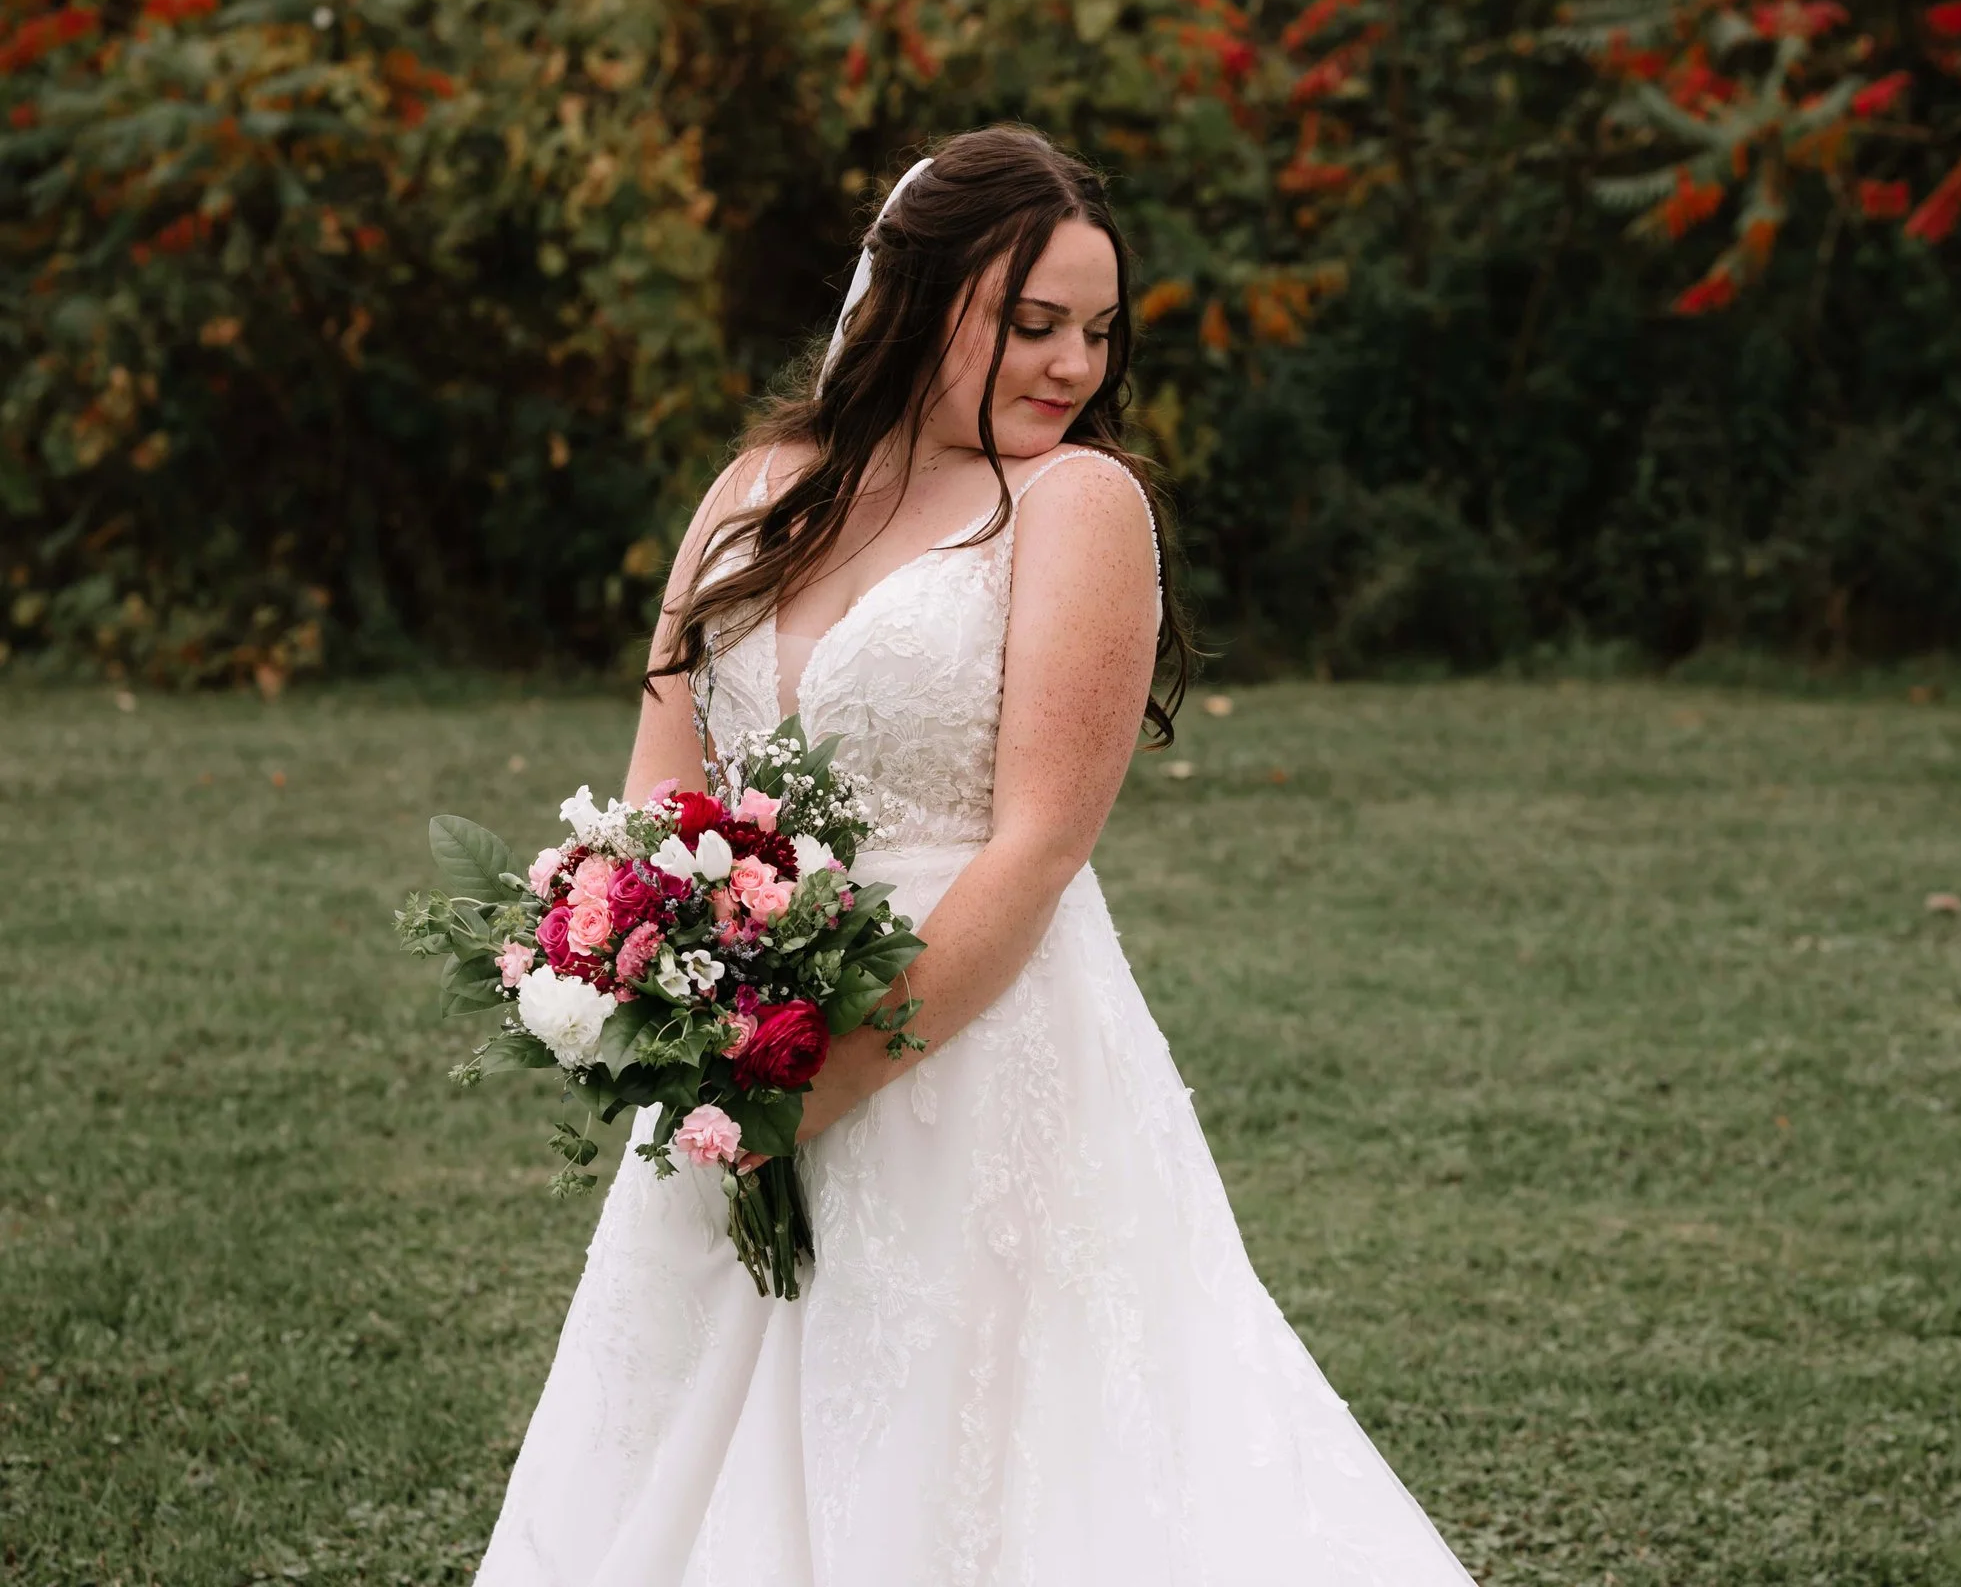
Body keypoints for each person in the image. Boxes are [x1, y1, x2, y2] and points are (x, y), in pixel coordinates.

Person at [474, 125, 1479, 1584]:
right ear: (921, 296)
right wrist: (646, 999)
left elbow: (1039, 846)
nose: (1073, 365)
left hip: (971, 1048)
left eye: (1098, 332)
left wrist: (825, 1085)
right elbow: (658, 793)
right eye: (1033, 322)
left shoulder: (1077, 504)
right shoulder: (759, 490)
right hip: (728, 1043)